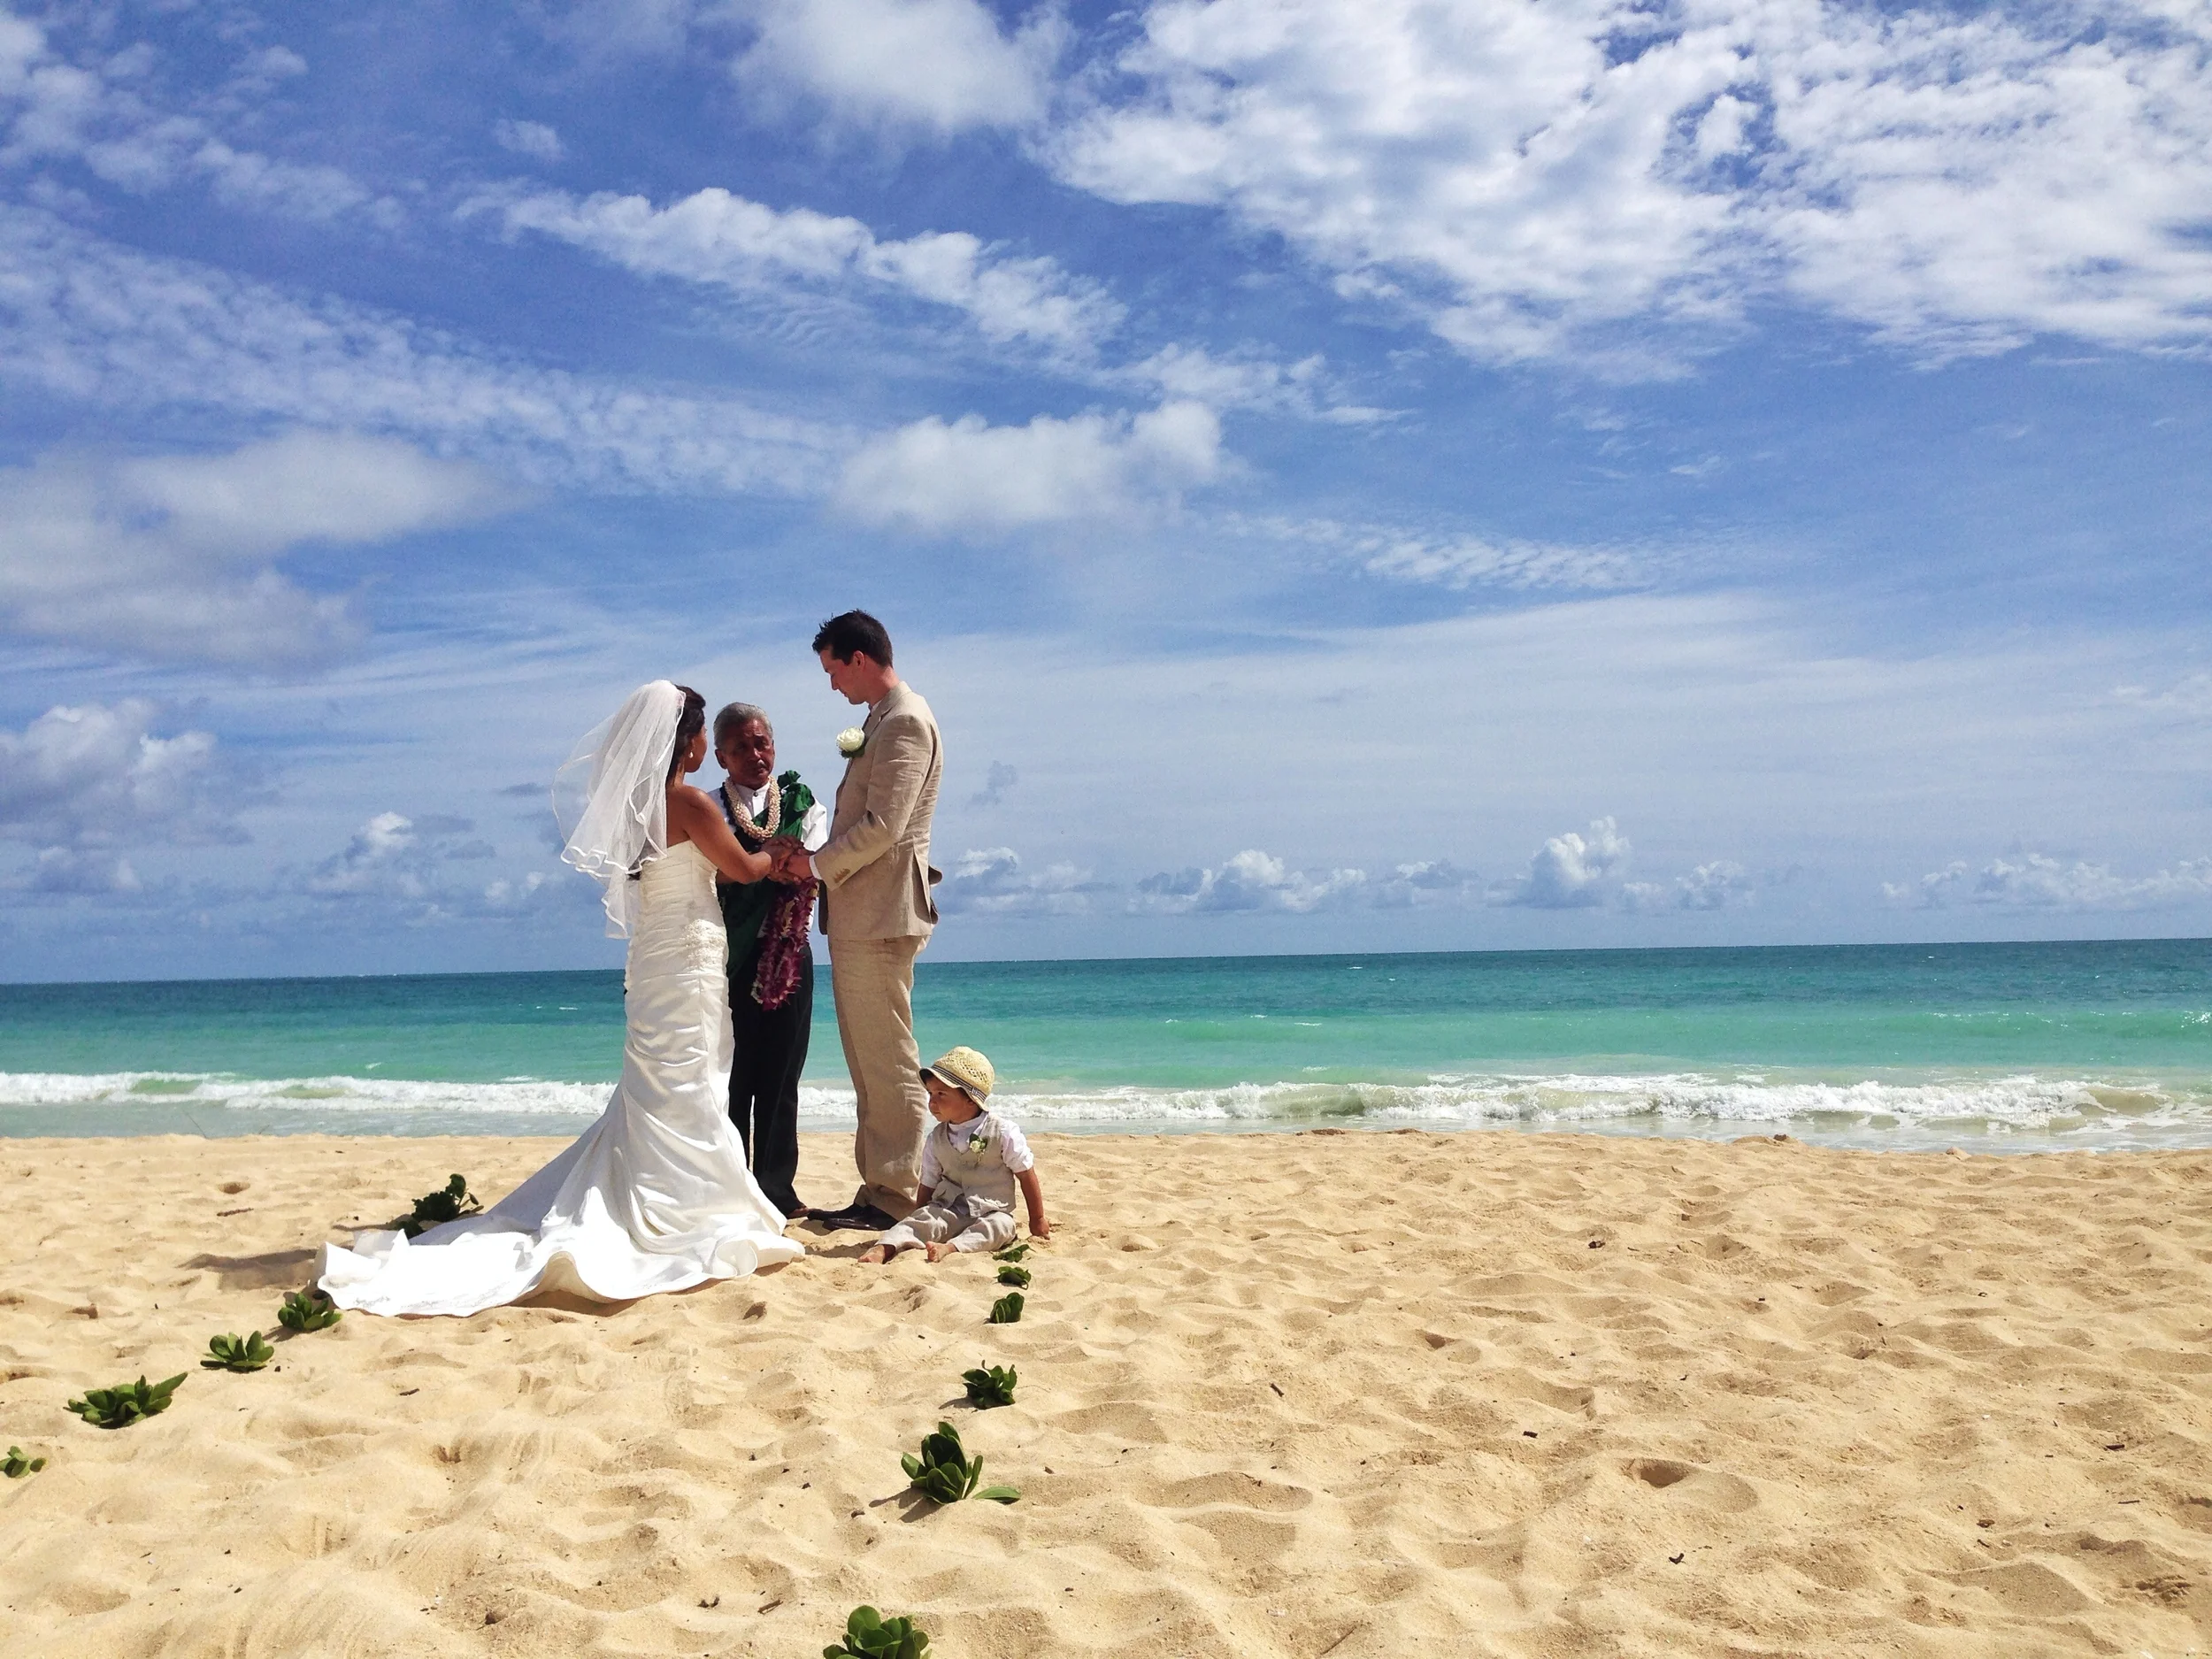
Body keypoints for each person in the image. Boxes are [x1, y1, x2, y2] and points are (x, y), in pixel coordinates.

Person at [316, 681, 805, 1317]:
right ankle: (688, 1210)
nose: (699, 748)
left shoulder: (636, 808)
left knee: (662, 1080)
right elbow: (740, 869)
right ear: (681, 741)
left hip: (658, 954)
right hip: (688, 953)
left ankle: (680, 1193)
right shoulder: (686, 802)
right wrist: (779, 854)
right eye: (697, 735)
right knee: (691, 1080)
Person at [771, 611, 942, 1233]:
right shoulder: (884, 721)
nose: (833, 684)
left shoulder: (904, 722)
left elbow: (885, 828)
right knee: (867, 1060)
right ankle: (878, 1186)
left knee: (888, 1059)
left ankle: (895, 1193)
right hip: (862, 914)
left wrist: (813, 865)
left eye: (833, 669)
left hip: (880, 913)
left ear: (860, 659)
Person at [711, 701, 827, 1219]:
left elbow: (821, 861)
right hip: (729, 958)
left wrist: (792, 866)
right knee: (734, 1079)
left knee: (783, 1077)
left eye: (761, 743)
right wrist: (762, 865)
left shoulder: (803, 800)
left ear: (773, 745)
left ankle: (777, 1188)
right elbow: (708, 871)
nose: (754, 755)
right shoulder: (711, 808)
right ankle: (732, 1185)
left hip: (789, 957)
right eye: (740, 747)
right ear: (721, 756)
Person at [859, 1047, 1048, 1263]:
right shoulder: (936, 1138)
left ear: (971, 1099)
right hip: (949, 1207)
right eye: (930, 1094)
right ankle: (884, 1248)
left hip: (991, 1210)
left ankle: (950, 1248)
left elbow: (1026, 1174)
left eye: (941, 1094)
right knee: (923, 1220)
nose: (932, 1102)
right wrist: (921, 1215)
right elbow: (928, 1182)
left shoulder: (1003, 1132)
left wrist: (1038, 1219)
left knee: (1002, 1227)